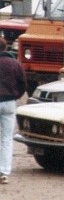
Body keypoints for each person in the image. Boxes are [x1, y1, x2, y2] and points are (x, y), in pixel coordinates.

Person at [0, 36, 27, 184]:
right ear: (5, 48)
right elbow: (23, 84)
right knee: (6, 139)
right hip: (10, 103)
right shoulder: (14, 64)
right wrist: (16, 95)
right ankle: (4, 172)